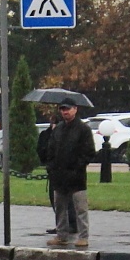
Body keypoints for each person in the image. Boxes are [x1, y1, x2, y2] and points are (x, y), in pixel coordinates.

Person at [45, 99, 96, 248]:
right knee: (60, 207)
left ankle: (83, 237)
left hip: (76, 176)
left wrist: (77, 167)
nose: (64, 112)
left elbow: (89, 152)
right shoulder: (59, 129)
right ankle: (61, 236)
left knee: (80, 208)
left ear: (75, 109)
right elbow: (51, 149)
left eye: (67, 109)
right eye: (62, 109)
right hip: (59, 176)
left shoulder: (83, 129)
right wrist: (51, 167)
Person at [37, 108, 77, 235]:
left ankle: (72, 224)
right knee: (56, 200)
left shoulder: (71, 133)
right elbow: (42, 152)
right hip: (54, 171)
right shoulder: (46, 134)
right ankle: (61, 225)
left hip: (68, 171)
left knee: (69, 199)